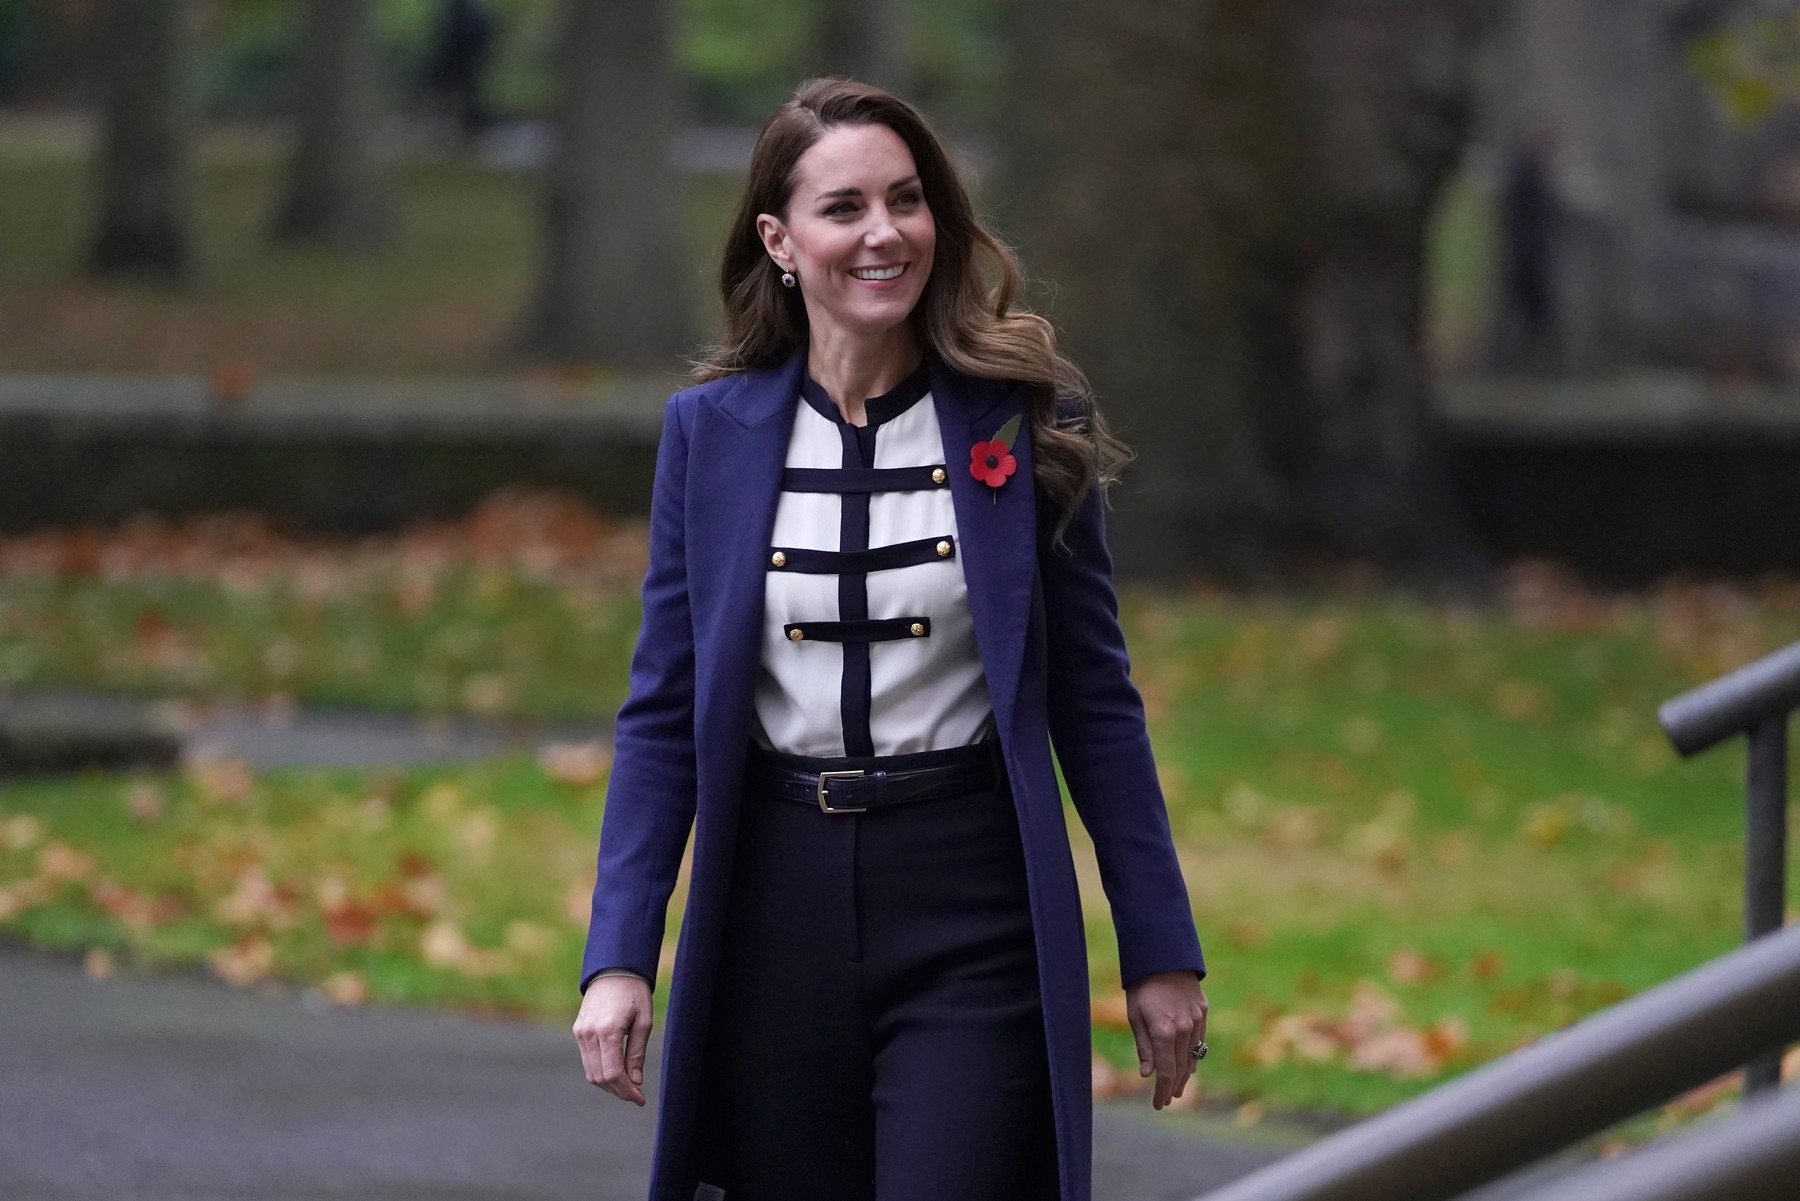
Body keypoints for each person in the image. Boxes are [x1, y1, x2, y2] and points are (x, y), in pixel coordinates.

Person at [572, 77, 1208, 1201]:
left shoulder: (1025, 418)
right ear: (779, 238)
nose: (884, 233)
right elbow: (665, 712)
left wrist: (1160, 948)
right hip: (773, 905)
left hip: (972, 902)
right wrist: (620, 953)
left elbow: (1095, 701)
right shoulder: (707, 436)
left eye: (907, 201)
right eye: (845, 207)